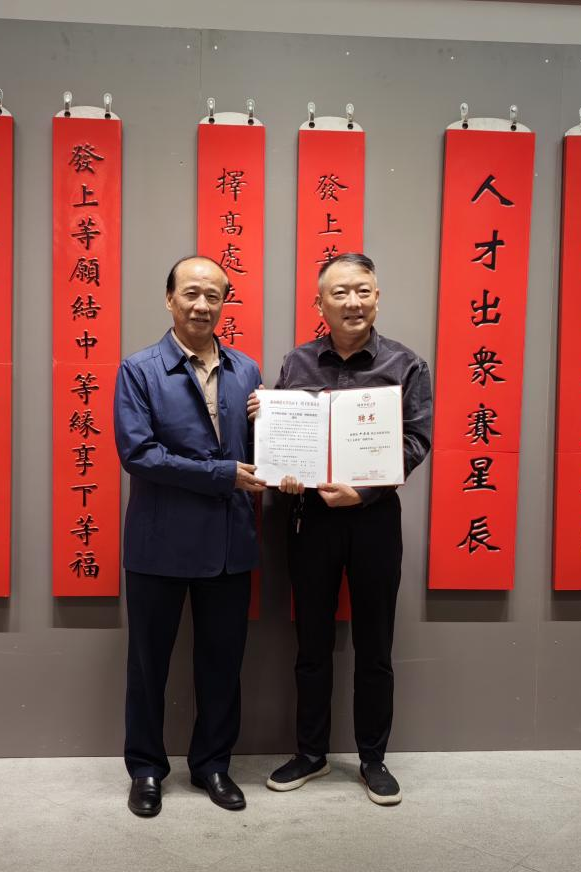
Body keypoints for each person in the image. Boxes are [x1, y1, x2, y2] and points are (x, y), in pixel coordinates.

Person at [250, 253, 432, 805]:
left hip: (374, 520)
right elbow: (284, 438)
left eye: (363, 291)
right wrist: (268, 427)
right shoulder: (297, 362)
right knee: (312, 643)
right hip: (311, 520)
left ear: (377, 296)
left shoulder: (406, 364)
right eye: (340, 293)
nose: (353, 302)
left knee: (375, 645)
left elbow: (416, 440)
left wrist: (365, 491)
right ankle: (311, 753)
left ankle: (373, 758)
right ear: (320, 303)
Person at [113, 255, 266, 818]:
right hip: (159, 544)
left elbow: (258, 454)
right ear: (170, 299)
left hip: (229, 543)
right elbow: (139, 454)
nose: (202, 305)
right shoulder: (139, 370)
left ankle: (213, 765)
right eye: (192, 294)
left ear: (225, 303)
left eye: (214, 296)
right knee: (148, 666)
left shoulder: (247, 370)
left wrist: (274, 422)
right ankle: (146, 770)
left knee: (222, 665)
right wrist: (221, 475)